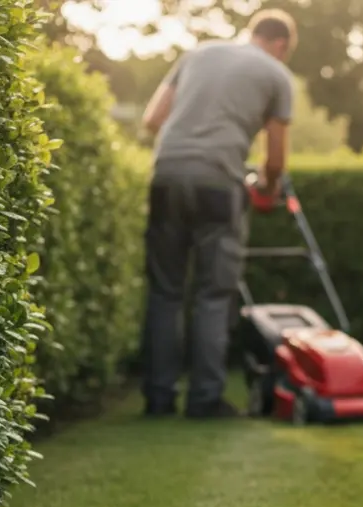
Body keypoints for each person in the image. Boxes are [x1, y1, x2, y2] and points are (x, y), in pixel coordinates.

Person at [137, 10, 296, 419]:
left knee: (165, 291)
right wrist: (267, 186)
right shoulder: (277, 76)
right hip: (219, 183)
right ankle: (204, 400)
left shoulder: (198, 53)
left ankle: (158, 399)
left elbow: (152, 120)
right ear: (280, 45)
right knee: (213, 294)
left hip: (167, 174)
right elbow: (275, 160)